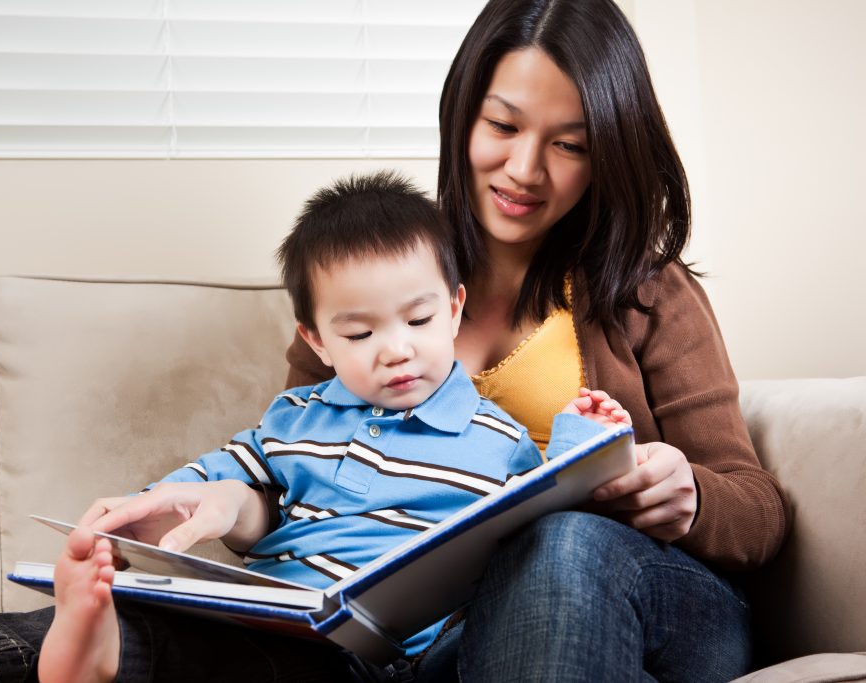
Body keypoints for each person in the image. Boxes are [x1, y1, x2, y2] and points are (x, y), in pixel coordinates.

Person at [0, 171, 632, 683]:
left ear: (454, 307)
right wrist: (178, 502)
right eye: (357, 335)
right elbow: (239, 475)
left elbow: (541, 523)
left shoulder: (495, 438)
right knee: (137, 610)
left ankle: (97, 655)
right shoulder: (296, 417)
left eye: (419, 319)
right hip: (289, 620)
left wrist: (575, 441)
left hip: (405, 653)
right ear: (316, 340)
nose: (394, 350)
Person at [285, 1, 790, 681]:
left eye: (570, 144)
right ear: (464, 112)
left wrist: (690, 494)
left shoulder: (647, 288)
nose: (525, 168)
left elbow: (758, 513)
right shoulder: (365, 280)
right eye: (503, 124)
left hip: (652, 597)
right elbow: (286, 467)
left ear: (607, 151)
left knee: (558, 543)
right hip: (449, 630)